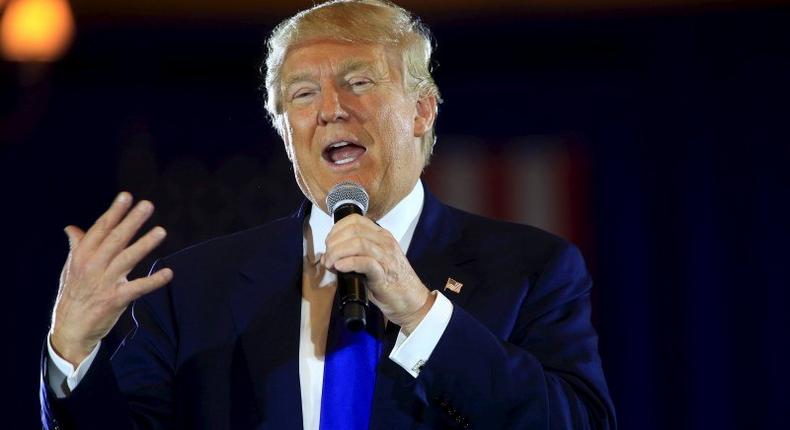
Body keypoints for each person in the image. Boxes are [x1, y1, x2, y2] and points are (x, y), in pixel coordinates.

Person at [40, 1, 616, 428]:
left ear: (421, 110)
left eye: (358, 82)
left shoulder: (531, 269)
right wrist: (71, 354)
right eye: (302, 94)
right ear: (285, 130)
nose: (331, 111)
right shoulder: (192, 289)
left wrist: (419, 311)